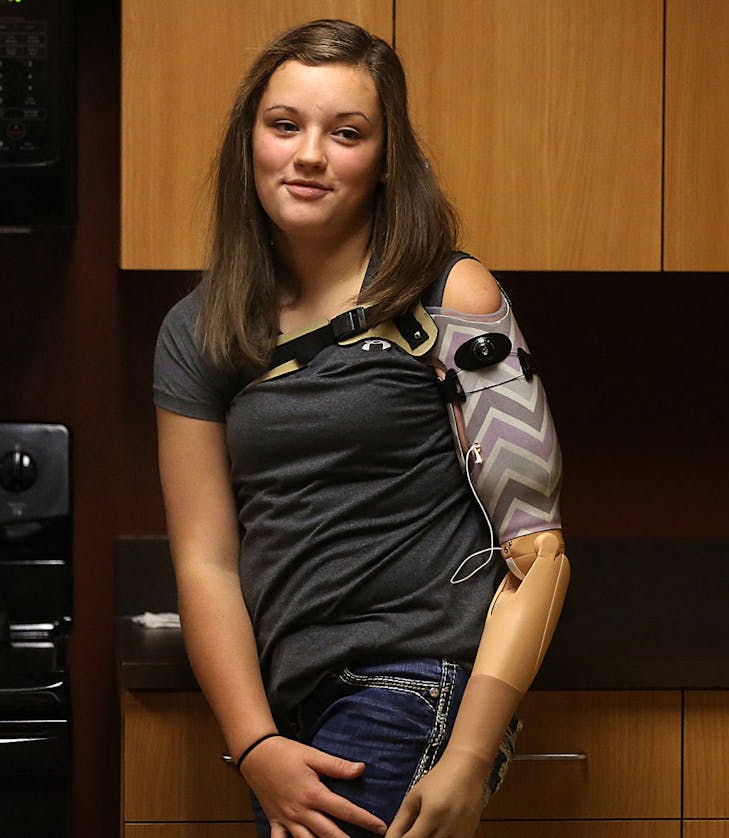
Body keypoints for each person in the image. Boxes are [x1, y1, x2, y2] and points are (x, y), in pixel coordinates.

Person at [153, 19, 569, 838]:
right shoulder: (198, 330)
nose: (309, 154)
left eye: (346, 133)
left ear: (384, 161)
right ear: (250, 143)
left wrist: (471, 757)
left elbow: (539, 549)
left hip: (416, 679)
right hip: (288, 703)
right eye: (285, 126)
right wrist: (255, 742)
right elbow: (204, 562)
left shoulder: (451, 296)